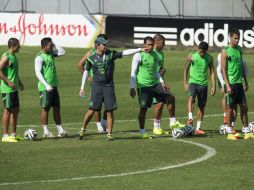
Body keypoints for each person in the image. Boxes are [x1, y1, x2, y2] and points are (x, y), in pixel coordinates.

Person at [79, 36, 147, 141]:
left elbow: (124, 53)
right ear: (98, 46)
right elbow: (86, 72)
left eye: (106, 44)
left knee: (109, 111)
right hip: (96, 86)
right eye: (104, 44)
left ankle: (109, 134)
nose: (106, 46)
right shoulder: (91, 58)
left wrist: (139, 49)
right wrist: (82, 87)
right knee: (92, 110)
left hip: (108, 86)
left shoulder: (111, 54)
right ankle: (83, 129)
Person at [130, 36, 184, 139]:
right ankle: (142, 132)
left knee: (170, 97)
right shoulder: (138, 55)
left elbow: (156, 71)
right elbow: (133, 72)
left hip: (155, 84)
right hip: (144, 86)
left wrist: (162, 82)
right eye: (148, 45)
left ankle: (173, 122)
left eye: (151, 45)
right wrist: (132, 87)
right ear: (144, 45)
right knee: (143, 109)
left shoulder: (155, 55)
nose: (150, 47)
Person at [221, 28, 253, 140]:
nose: (237, 40)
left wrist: (245, 81)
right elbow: (223, 69)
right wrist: (227, 85)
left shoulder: (239, 49)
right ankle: (229, 132)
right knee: (230, 109)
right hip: (231, 83)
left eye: (238, 38)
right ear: (230, 37)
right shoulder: (225, 51)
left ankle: (246, 131)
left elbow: (241, 67)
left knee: (244, 107)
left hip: (239, 83)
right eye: (235, 38)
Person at [34, 37, 68, 138]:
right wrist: (46, 85)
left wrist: (54, 43)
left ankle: (60, 129)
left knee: (56, 107)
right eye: (50, 46)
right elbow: (38, 73)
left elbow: (62, 52)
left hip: (53, 86)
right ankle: (45, 131)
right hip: (45, 87)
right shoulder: (39, 57)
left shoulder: (51, 53)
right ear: (44, 47)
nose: (51, 47)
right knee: (46, 108)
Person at [183, 41, 216, 135]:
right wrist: (185, 83)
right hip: (193, 82)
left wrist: (213, 85)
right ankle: (190, 119)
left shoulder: (209, 58)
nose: (201, 54)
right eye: (200, 51)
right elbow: (186, 69)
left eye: (203, 52)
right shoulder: (192, 56)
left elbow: (212, 72)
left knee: (201, 106)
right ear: (198, 49)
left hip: (203, 85)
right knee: (191, 98)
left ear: (206, 51)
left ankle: (198, 128)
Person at [78, 34, 108, 133]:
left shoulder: (108, 53)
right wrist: (88, 78)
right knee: (96, 106)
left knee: (109, 105)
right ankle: (99, 126)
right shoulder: (91, 52)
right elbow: (80, 65)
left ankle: (103, 124)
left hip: (107, 82)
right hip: (96, 83)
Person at [216, 52, 248, 133]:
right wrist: (224, 84)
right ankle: (226, 120)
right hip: (224, 80)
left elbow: (245, 71)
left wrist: (244, 81)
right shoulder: (222, 56)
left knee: (236, 105)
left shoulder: (241, 60)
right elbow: (219, 70)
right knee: (227, 100)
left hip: (237, 83)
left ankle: (232, 125)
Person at [0, 38, 24, 142]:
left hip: (14, 89)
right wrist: (8, 82)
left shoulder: (14, 57)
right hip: (7, 89)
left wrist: (19, 82)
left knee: (16, 110)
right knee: (8, 111)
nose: (19, 47)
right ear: (13, 46)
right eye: (18, 46)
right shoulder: (6, 57)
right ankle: (5, 136)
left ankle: (13, 134)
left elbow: (13, 72)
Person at [152, 34, 167, 135]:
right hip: (152, 82)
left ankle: (158, 127)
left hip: (160, 81)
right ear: (157, 42)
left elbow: (160, 68)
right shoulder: (152, 53)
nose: (164, 45)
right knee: (159, 103)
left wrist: (162, 70)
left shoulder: (161, 53)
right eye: (163, 42)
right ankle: (155, 127)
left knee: (161, 104)